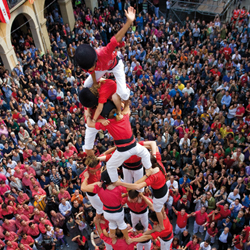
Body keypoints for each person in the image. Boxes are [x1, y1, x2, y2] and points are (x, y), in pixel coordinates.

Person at [86, 100, 152, 183]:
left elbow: (90, 123)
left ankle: (115, 182)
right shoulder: (124, 116)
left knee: (110, 166)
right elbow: (127, 108)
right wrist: (124, 103)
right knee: (145, 153)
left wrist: (90, 116)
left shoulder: (107, 123)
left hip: (122, 151)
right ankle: (149, 169)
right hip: (134, 146)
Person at [81, 170, 129, 243]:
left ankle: (113, 240)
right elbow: (133, 188)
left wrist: (86, 178)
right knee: (122, 225)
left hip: (107, 214)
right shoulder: (118, 187)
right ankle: (127, 239)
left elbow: (83, 188)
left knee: (112, 225)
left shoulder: (99, 188)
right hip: (117, 213)